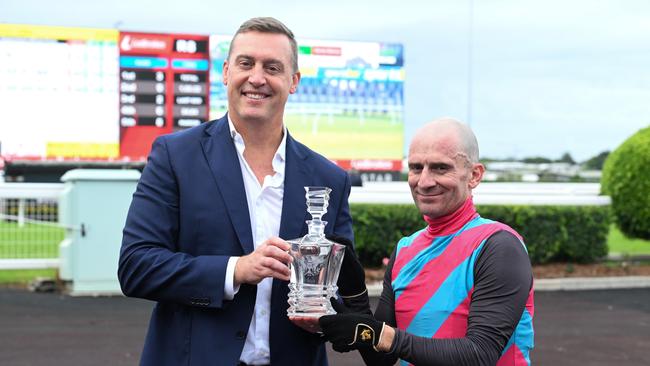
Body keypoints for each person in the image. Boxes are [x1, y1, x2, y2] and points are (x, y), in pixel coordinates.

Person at [118, 17, 355, 366]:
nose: (257, 78)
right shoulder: (175, 156)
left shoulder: (329, 178)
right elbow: (136, 266)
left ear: (293, 82)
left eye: (272, 67)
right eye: (246, 63)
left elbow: (344, 291)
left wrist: (324, 313)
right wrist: (236, 270)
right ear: (227, 71)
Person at [319, 118, 535, 365]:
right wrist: (355, 296)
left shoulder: (498, 246)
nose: (424, 181)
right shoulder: (405, 250)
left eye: (440, 168)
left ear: (474, 175)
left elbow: (479, 354)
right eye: (416, 167)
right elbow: (382, 359)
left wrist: (381, 335)